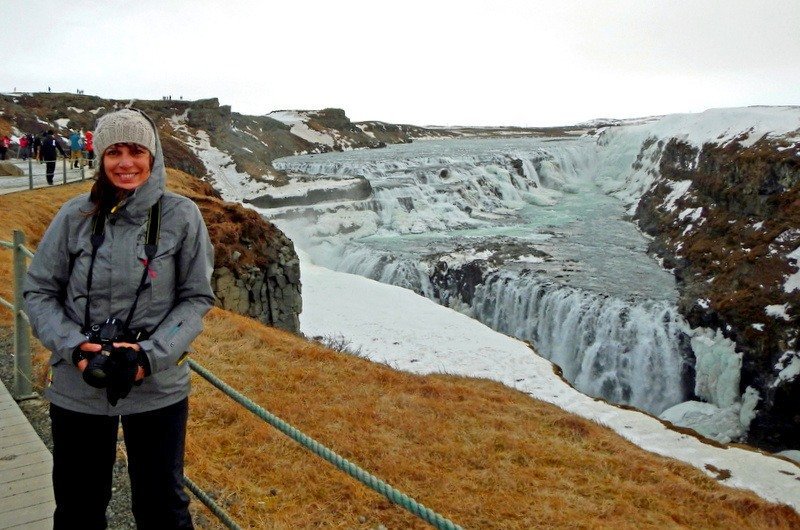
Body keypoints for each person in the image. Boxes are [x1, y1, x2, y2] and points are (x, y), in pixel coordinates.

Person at [24, 108, 215, 529]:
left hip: (158, 384)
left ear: (153, 156)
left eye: (135, 151)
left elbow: (196, 296)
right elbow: (39, 291)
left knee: (162, 505)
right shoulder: (74, 216)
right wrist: (73, 346)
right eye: (114, 151)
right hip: (80, 381)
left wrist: (150, 356)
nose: (125, 162)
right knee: (78, 504)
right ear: (100, 157)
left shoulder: (182, 216)